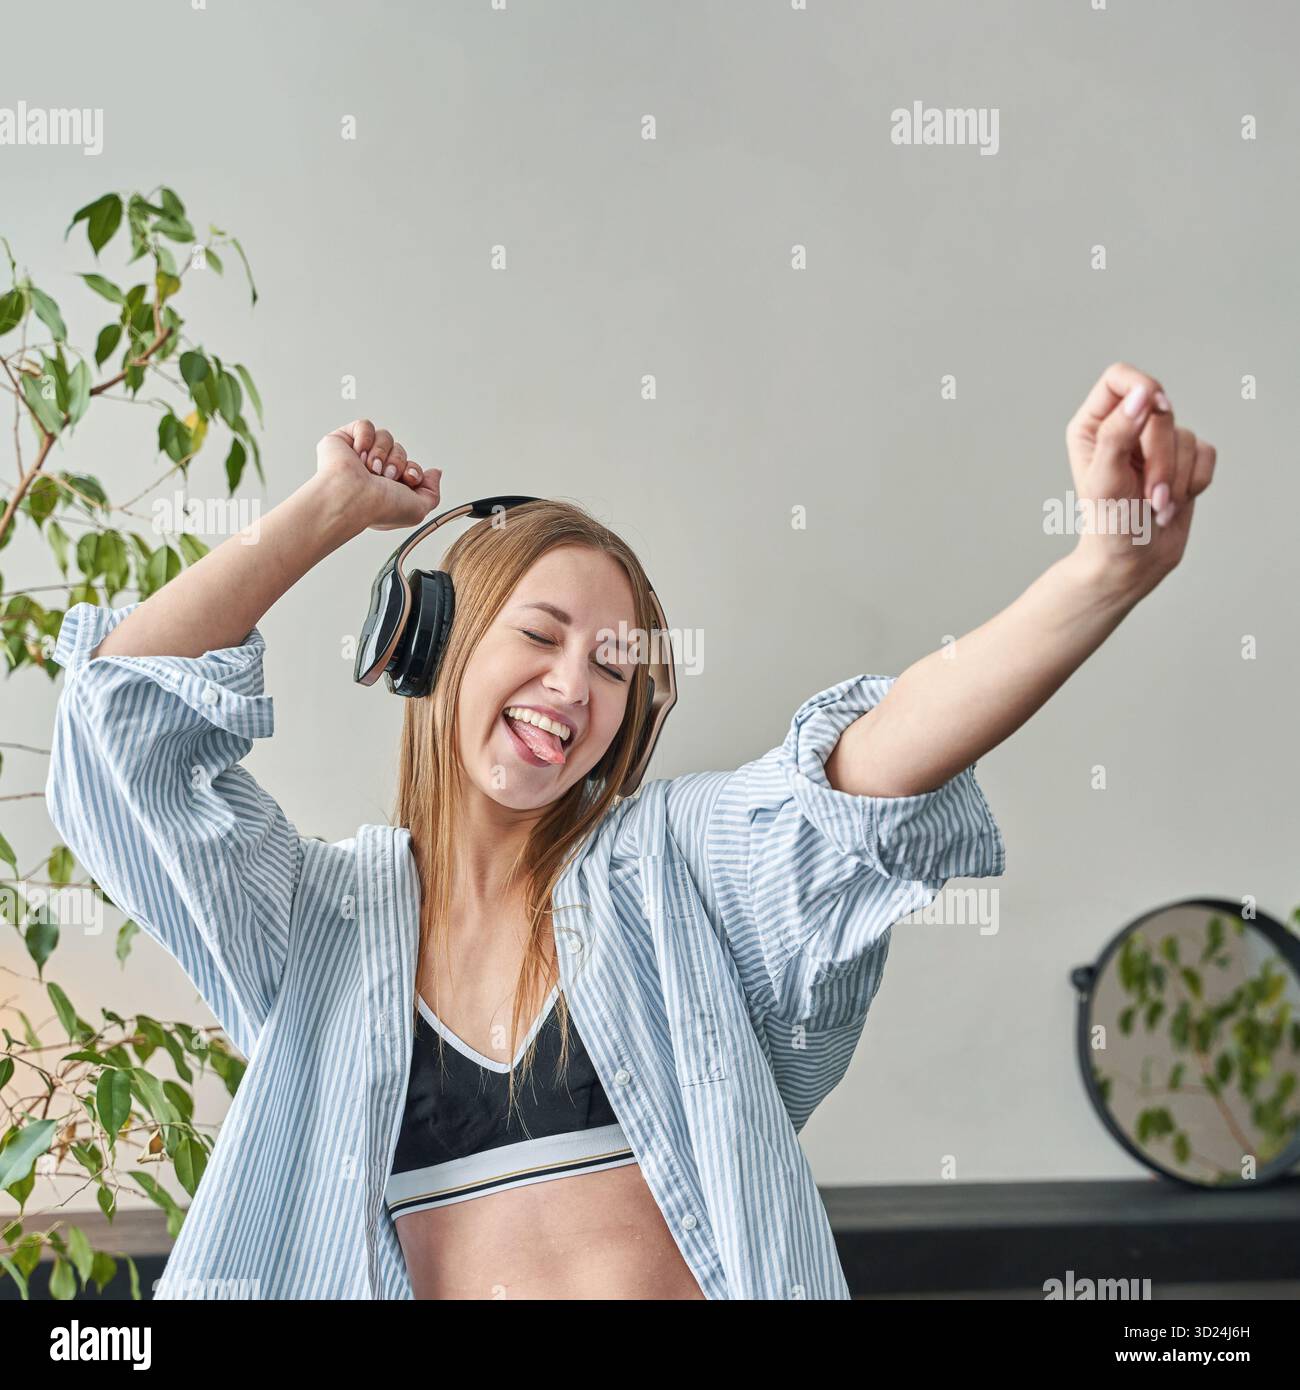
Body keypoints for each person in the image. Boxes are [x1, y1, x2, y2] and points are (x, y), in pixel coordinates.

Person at [44, 362, 1216, 1299]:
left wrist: (1101, 572)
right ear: (431, 641)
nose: (572, 683)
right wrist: (327, 510)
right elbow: (116, 732)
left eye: (614, 667)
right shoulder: (317, 930)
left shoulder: (668, 869)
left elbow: (865, 774)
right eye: (540, 635)